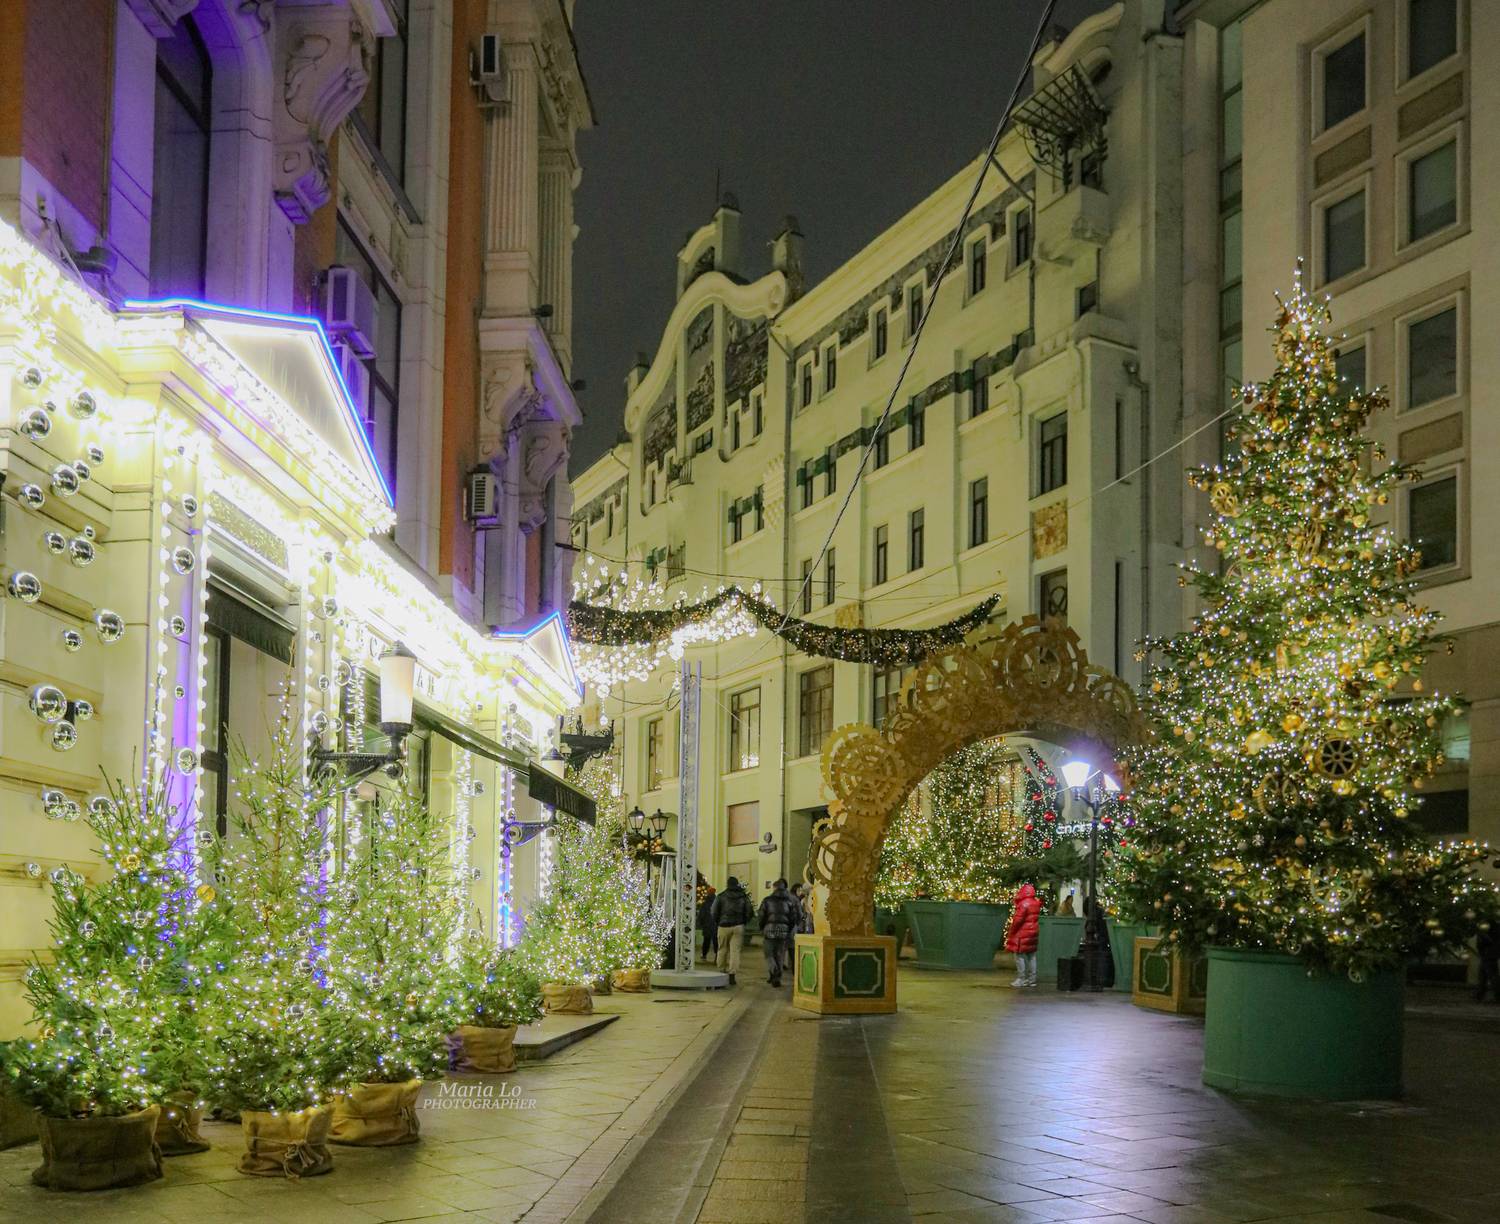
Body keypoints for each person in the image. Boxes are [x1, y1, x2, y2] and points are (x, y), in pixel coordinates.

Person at [711, 875, 751, 985]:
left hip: (723, 926)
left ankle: (721, 971)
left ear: (727, 884)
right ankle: (732, 974)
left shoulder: (721, 896)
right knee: (735, 951)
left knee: (722, 949)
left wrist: (718, 921)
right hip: (738, 926)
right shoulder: (743, 897)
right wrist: (743, 921)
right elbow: (749, 911)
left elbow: (713, 911)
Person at [757, 878, 796, 987]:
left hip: (769, 931)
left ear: (774, 888)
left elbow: (761, 916)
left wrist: (761, 927)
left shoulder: (767, 900)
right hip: (783, 932)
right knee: (779, 955)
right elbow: (793, 918)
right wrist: (787, 929)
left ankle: (774, 971)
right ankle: (776, 977)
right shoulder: (789, 902)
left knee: (769, 954)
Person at [1005, 883, 1041, 988]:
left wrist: (1011, 932)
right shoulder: (1036, 903)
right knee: (1032, 956)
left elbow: (1018, 920)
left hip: (1022, 933)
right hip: (1033, 932)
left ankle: (1021, 978)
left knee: (1019, 955)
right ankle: (1032, 980)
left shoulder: (1023, 904)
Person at [1476, 924, 1500, 1003]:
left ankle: (1496, 995)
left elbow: (1481, 943)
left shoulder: (1485, 929)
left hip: (1487, 955)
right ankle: (1480, 994)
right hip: (1491, 955)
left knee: (1490, 976)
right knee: (1485, 975)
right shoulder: (1496, 928)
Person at [698, 882, 718, 961]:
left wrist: (701, 923)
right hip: (716, 925)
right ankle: (717, 955)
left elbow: (701, 914)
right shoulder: (717, 901)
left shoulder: (705, 903)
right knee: (716, 941)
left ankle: (704, 955)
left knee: (706, 941)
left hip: (707, 925)